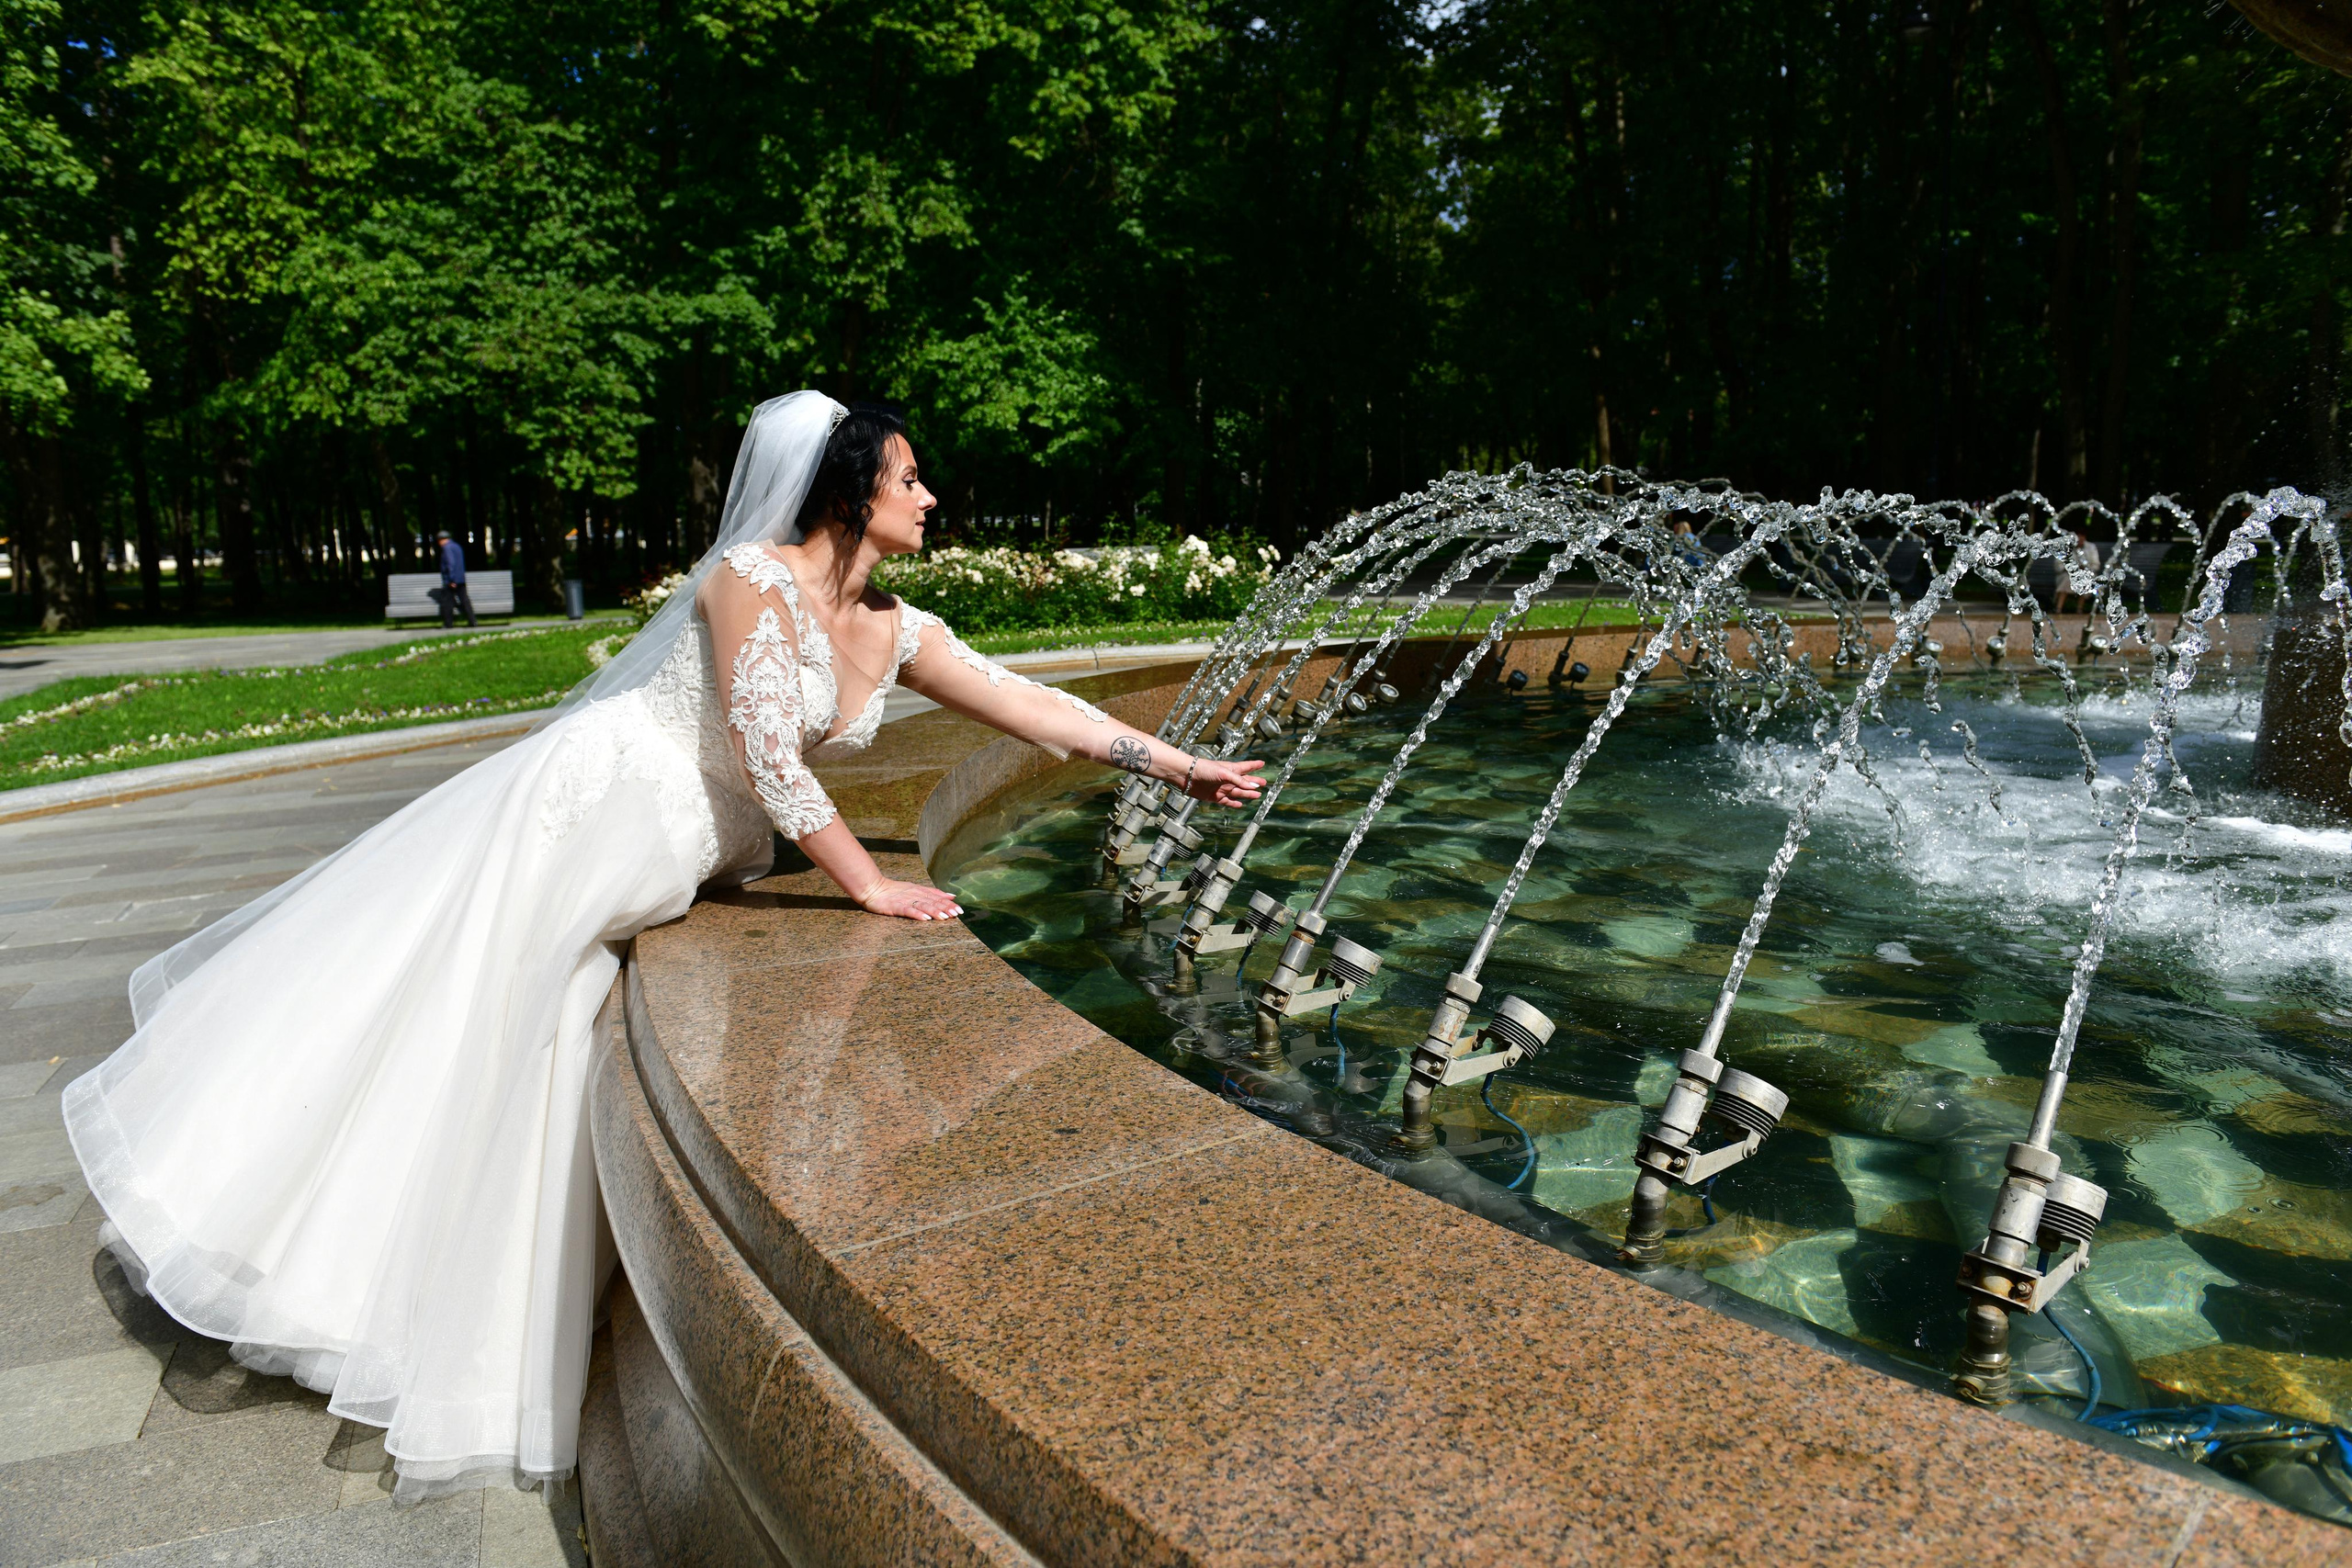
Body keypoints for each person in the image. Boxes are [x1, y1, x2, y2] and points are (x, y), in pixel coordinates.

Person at [61, 392, 1262, 1502]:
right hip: (600, 813)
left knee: (535, 1040)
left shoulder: (900, 628)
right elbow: (763, 752)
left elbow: (1035, 703)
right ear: (850, 490)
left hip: (689, 847)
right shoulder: (744, 581)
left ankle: (483, 1304)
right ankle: (338, 1271)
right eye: (910, 475)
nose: (930, 496)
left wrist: (1181, 763)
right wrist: (870, 886)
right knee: (481, 1018)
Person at [435, 529, 477, 627]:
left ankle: (448, 623)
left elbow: (451, 564)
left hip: (452, 580)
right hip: (460, 578)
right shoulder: (457, 546)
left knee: (448, 602)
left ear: (441, 540)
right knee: (465, 600)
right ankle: (473, 621)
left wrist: (451, 579)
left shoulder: (447, 548)